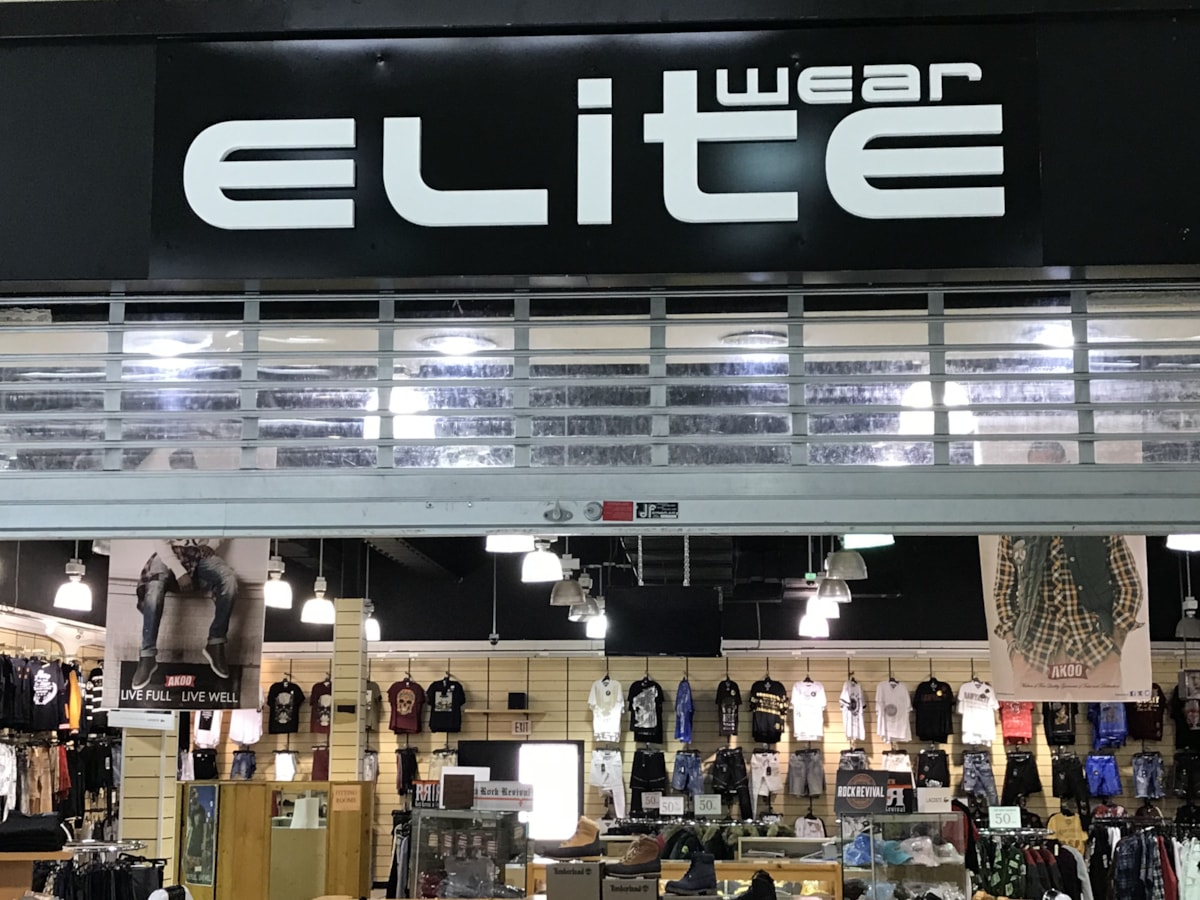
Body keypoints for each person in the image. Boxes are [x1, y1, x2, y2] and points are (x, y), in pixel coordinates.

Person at [993, 445, 1143, 684]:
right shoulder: (1015, 527)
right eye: (1037, 471)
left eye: (1051, 467)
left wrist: (1114, 646)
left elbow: (1129, 585)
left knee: (1105, 702)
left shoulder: (1097, 519)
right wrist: (1013, 648)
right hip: (1033, 654)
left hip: (1096, 652)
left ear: (1065, 467)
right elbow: (1003, 590)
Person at [133, 538, 238, 689]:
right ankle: (147, 655)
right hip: (170, 552)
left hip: (199, 552)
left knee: (229, 579)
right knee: (154, 586)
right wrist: (180, 572)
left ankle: (215, 643)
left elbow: (224, 525)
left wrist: (212, 544)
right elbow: (160, 540)